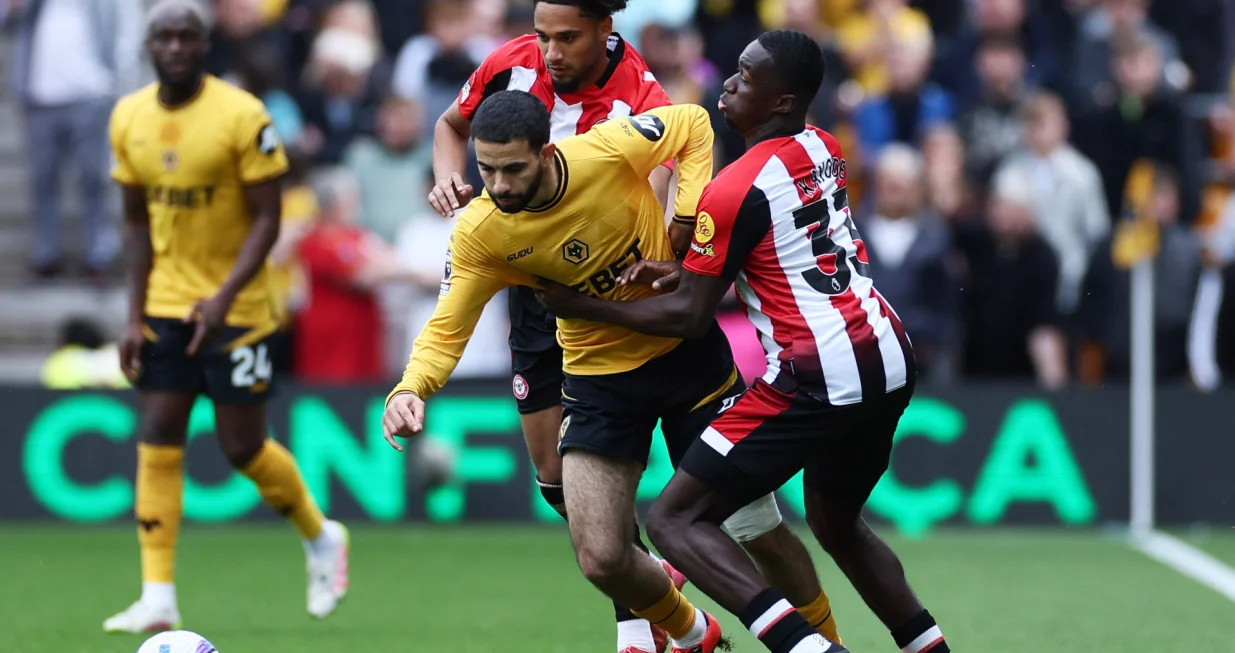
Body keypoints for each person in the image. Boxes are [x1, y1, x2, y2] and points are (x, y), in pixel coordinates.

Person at [426, 1, 841, 649]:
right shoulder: (510, 64)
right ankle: (651, 612)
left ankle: (793, 631)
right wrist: (448, 177)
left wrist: (676, 235)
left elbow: (685, 148)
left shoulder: (637, 95)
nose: (550, 51)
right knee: (558, 483)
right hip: (539, 291)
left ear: (603, 31)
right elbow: (450, 124)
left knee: (750, 523)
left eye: (566, 38)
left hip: (630, 298)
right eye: (542, 37)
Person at [535, 30, 952, 653]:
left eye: (746, 77)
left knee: (674, 521)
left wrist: (579, 304)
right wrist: (681, 271)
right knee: (837, 523)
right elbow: (766, 250)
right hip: (887, 355)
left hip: (818, 372)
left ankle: (809, 650)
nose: (727, 84)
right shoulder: (823, 147)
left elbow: (689, 320)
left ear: (781, 101)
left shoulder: (733, 188)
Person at [104, 0, 349, 634]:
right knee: (158, 433)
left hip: (237, 307)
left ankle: (321, 536)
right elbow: (136, 223)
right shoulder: (128, 117)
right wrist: (133, 315)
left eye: (188, 35)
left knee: (242, 447)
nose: (177, 47)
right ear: (149, 47)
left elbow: (268, 219)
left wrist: (220, 297)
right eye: (165, 37)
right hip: (165, 305)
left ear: (205, 45)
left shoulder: (243, 115)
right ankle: (157, 594)